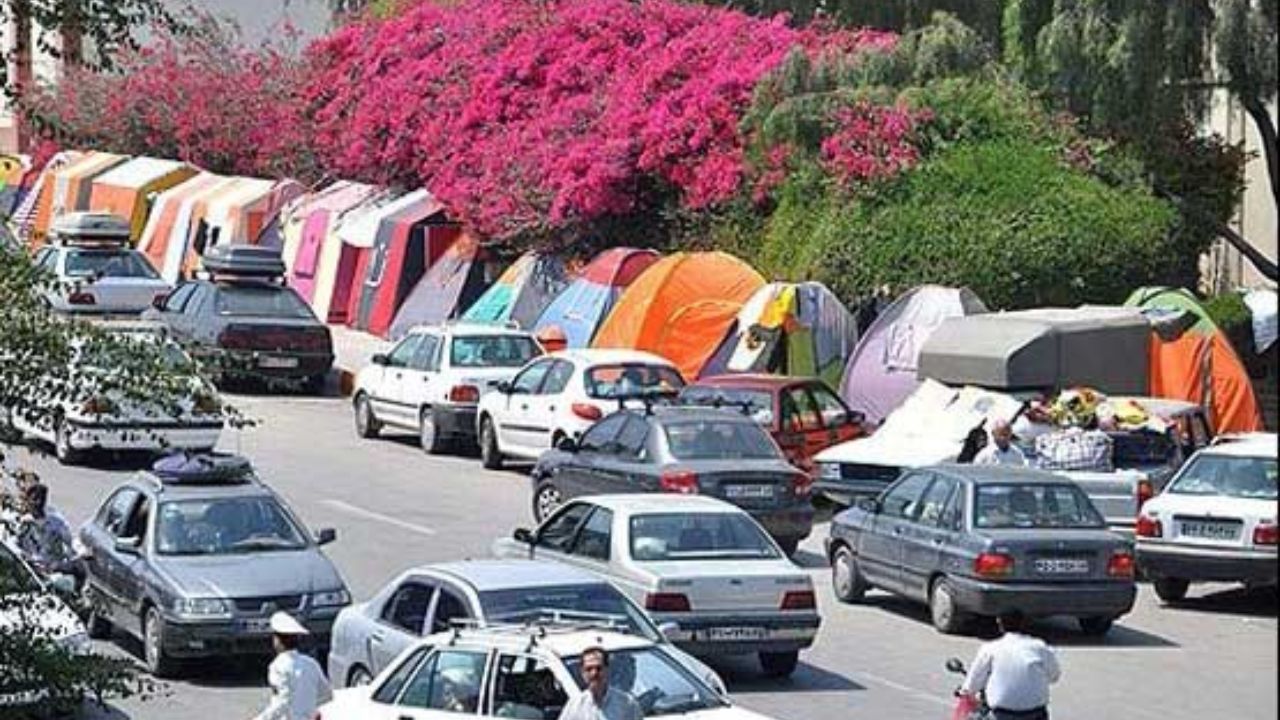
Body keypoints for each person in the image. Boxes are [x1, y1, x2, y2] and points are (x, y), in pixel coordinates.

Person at [960, 611, 1060, 720]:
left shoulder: (990, 648)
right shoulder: (1039, 647)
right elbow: (1054, 676)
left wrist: (966, 690)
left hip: (1001, 714)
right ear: (1024, 624)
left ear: (1000, 625)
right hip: (1036, 713)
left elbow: (975, 679)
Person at [253, 612, 332, 720]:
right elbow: (327, 695)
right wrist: (307, 707)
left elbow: (282, 702)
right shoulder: (311, 663)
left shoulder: (278, 667)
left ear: (277, 641)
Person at [558, 647, 641, 720]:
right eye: (589, 669)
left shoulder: (627, 704)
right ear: (583, 673)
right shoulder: (575, 706)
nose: (594, 673)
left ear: (607, 670)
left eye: (599, 668)